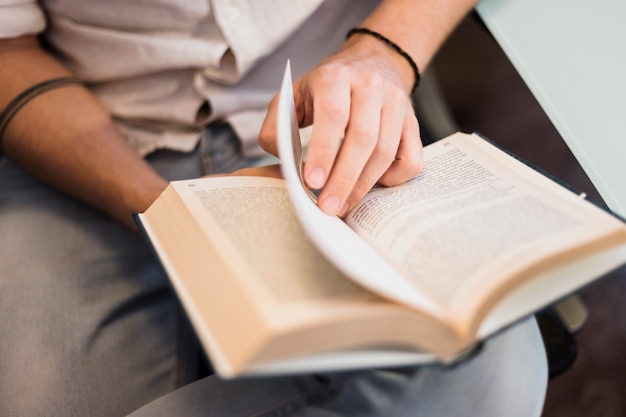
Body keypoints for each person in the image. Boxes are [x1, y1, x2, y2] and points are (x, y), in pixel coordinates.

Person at [0, 1, 548, 416]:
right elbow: (9, 51)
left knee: (494, 369)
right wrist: (161, 212)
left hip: (329, 121)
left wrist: (384, 53)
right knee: (41, 400)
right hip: (82, 143)